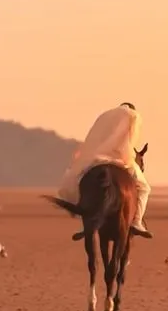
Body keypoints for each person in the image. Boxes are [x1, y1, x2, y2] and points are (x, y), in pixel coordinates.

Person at [57, 102, 152, 238]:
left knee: (80, 182)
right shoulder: (133, 116)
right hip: (121, 158)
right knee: (144, 188)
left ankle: (87, 224)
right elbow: (130, 142)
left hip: (99, 158)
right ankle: (137, 222)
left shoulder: (106, 117)